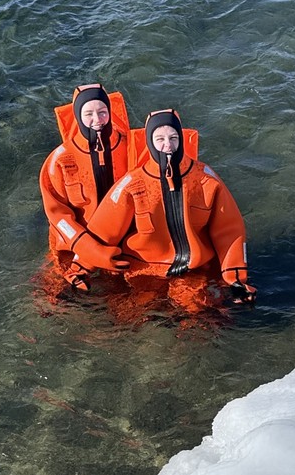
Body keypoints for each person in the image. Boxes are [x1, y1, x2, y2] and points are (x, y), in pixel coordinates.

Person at [82, 107, 256, 310]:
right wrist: (81, 266)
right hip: (144, 270)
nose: (167, 145)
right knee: (132, 319)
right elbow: (102, 230)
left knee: (202, 320)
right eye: (160, 139)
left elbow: (230, 231)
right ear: (149, 142)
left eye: (173, 138)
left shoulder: (206, 179)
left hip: (194, 269)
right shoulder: (132, 183)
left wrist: (236, 278)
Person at [39, 83, 133, 290]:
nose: (97, 120)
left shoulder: (132, 146)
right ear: (77, 116)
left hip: (121, 241)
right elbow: (58, 216)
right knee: (52, 300)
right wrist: (88, 248)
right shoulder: (59, 160)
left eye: (102, 112)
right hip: (72, 246)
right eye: (88, 113)